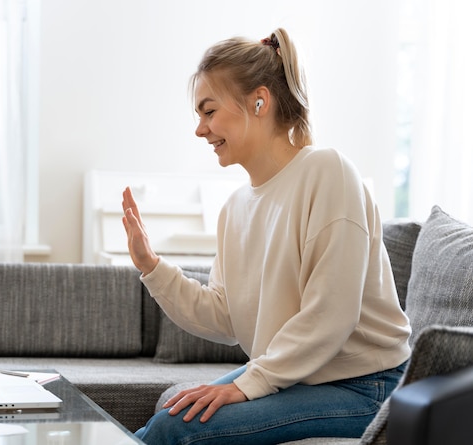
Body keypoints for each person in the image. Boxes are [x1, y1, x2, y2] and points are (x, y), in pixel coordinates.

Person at [121, 28, 411, 445]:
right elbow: (223, 317)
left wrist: (247, 383)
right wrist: (151, 266)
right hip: (303, 375)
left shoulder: (328, 173)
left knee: (176, 430)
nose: (200, 130)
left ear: (259, 101)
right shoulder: (235, 208)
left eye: (209, 111)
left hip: (368, 386)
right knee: (173, 413)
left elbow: (331, 314)